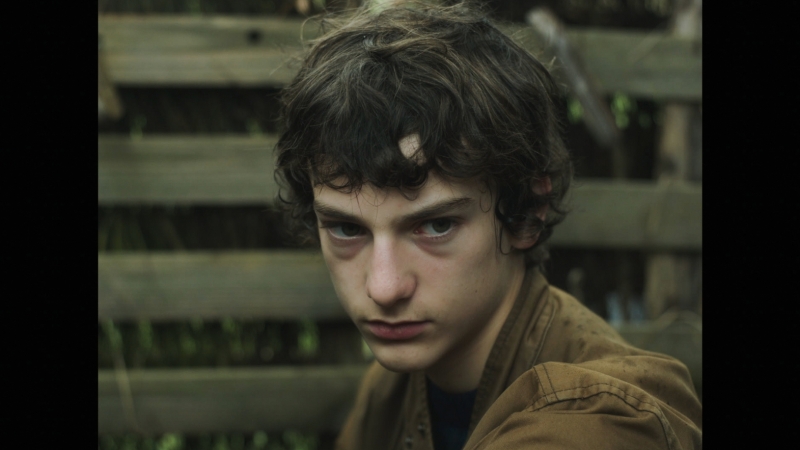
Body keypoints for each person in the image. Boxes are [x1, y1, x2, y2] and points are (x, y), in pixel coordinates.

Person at [274, 1, 702, 449]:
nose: (383, 288)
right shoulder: (393, 390)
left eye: (436, 225)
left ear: (526, 213)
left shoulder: (601, 420)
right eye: (347, 229)